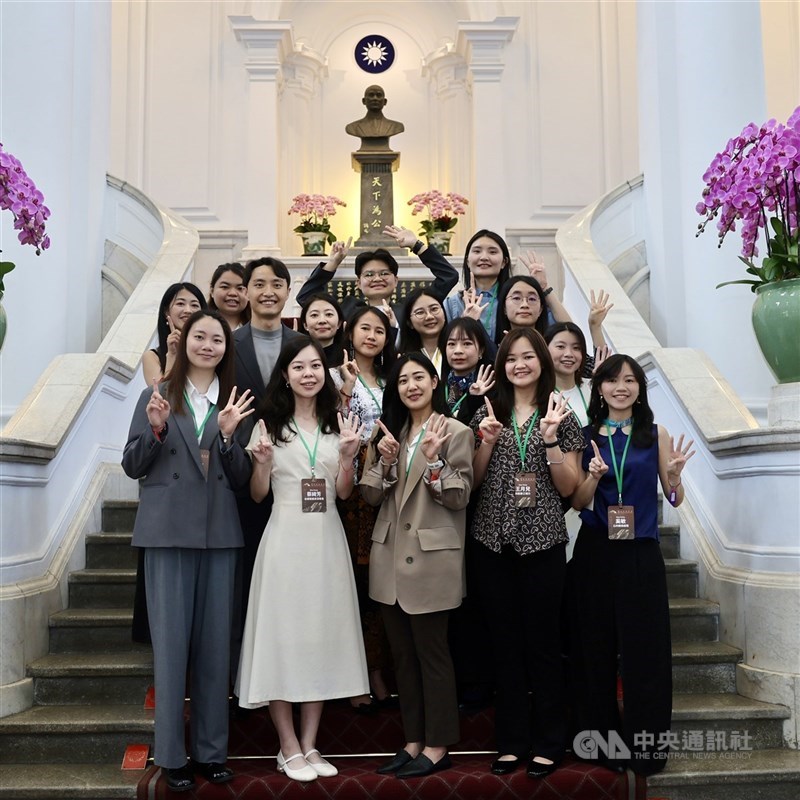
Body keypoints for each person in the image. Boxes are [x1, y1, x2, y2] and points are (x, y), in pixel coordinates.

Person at [122, 309, 254, 793]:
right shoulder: (154, 395)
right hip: (166, 533)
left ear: (226, 348)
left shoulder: (236, 402)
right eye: (200, 336)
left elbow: (240, 477)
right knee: (172, 649)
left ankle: (212, 752)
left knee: (216, 648)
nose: (208, 345)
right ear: (183, 341)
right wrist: (155, 430)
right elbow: (133, 464)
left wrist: (226, 437)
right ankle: (172, 755)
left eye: (217, 339)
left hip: (219, 534)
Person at [235, 337, 369, 783]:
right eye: (299, 367)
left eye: (315, 365)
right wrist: (260, 465)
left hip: (327, 540)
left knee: (318, 636)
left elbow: (345, 492)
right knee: (283, 636)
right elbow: (257, 494)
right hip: (284, 540)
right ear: (286, 376)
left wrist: (348, 458)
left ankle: (310, 743)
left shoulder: (338, 423)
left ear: (325, 373)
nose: (308, 373)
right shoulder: (267, 426)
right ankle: (287, 745)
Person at [568, 354, 694, 776]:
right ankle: (600, 744)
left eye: (630, 380)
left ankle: (647, 749)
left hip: (640, 552)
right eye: (612, 380)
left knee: (646, 655)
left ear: (640, 389)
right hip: (595, 552)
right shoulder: (584, 437)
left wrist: (674, 480)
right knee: (594, 652)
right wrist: (594, 476)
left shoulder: (654, 435)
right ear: (599, 388)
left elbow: (673, 499)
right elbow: (577, 502)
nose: (621, 387)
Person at [469, 328, 583, 779]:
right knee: (505, 645)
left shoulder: (562, 412)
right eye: (511, 358)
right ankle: (512, 742)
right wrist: (489, 441)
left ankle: (550, 741)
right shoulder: (489, 410)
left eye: (528, 357)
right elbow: (475, 484)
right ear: (502, 365)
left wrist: (552, 440)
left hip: (543, 543)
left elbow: (571, 489)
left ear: (542, 361)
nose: (519, 364)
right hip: (492, 543)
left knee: (543, 644)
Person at [360, 353, 474, 778]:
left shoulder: (457, 432)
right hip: (390, 560)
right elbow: (370, 495)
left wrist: (436, 461)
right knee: (402, 659)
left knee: (433, 656)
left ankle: (438, 744)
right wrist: (386, 461)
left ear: (434, 382)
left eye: (419, 378)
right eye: (403, 379)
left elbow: (461, 495)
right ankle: (412, 740)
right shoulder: (389, 434)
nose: (411, 385)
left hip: (432, 561)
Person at [231, 257, 304, 681]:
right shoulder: (228, 340)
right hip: (244, 477)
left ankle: (291, 672)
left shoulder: (300, 343)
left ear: (287, 290)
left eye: (277, 284)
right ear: (247, 291)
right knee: (247, 582)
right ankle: (247, 678)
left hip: (295, 477)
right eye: (259, 284)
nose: (268, 292)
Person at [333, 305, 396, 712]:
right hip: (348, 491)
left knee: (379, 586)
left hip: (387, 488)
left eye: (379, 330)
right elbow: (328, 426)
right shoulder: (337, 377)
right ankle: (354, 672)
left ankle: (377, 667)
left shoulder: (395, 378)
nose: (372, 336)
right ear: (349, 333)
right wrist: (344, 390)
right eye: (364, 329)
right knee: (350, 586)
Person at [296, 227, 458, 330]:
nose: (377, 278)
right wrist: (333, 262)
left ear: (396, 281)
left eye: (384, 273)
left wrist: (416, 245)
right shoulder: (347, 308)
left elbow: (448, 276)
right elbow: (305, 297)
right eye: (369, 274)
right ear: (358, 283)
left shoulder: (410, 308)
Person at [443, 229, 512, 341]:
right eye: (477, 251)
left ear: (504, 262)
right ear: (467, 261)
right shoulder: (453, 303)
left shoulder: (513, 300)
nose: (484, 257)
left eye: (492, 252)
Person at [142, 282, 206, 385]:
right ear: (166, 311)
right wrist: (172, 355)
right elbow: (162, 395)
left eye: (194, 305)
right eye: (180, 304)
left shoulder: (210, 350)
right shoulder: (152, 357)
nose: (188, 310)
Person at [439, 316, 495, 426]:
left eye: (467, 344)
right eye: (451, 344)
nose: (458, 351)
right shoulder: (436, 387)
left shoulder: (491, 388)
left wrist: (475, 398)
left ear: (481, 351)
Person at [398, 287, 447, 375]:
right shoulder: (403, 358)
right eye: (420, 312)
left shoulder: (455, 352)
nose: (429, 316)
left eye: (434, 309)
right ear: (409, 323)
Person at [345, 85, 405, 151]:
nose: (375, 98)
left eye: (379, 95)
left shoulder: (396, 126)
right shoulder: (353, 127)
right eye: (371, 95)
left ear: (385, 102)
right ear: (364, 101)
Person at [299, 291, 345, 367]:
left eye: (329, 314)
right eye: (314, 315)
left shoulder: (349, 357)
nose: (322, 321)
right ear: (305, 325)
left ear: (339, 323)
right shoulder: (296, 357)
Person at [208, 263, 250, 330]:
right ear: (212, 291)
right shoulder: (199, 325)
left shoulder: (258, 328)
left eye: (240, 288)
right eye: (225, 287)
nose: (232, 293)